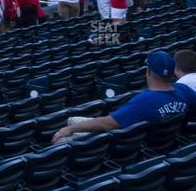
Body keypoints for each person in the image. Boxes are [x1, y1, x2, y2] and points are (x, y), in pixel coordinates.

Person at [53, 51, 196, 141]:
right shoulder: (183, 90)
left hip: (127, 139)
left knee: (63, 136)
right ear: (173, 72)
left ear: (148, 72)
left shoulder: (144, 101)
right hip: (163, 138)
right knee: (72, 119)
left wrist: (70, 130)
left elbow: (108, 123)